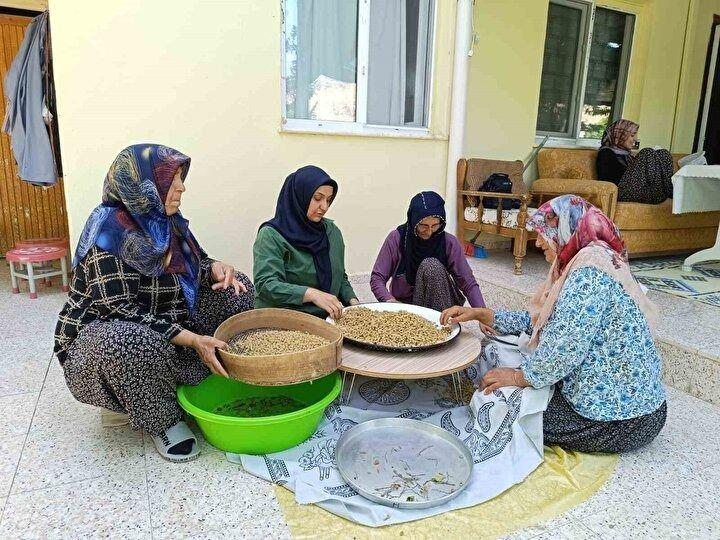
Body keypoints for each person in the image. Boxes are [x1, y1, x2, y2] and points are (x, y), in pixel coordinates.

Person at [54, 144, 254, 462]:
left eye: (180, 178)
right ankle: (162, 419)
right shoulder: (108, 233)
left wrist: (215, 267)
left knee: (236, 288)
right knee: (131, 340)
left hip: (166, 321)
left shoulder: (165, 220)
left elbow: (194, 264)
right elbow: (119, 311)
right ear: (144, 186)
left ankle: (207, 375)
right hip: (107, 341)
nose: (182, 187)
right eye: (173, 180)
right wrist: (191, 339)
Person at [441, 195, 667, 453]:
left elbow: (565, 348)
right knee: (496, 349)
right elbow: (544, 322)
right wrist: (484, 314)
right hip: (634, 411)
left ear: (565, 230)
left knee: (502, 403)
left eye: (544, 233)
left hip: (621, 421)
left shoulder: (588, 274)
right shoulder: (585, 260)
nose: (538, 242)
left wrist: (518, 377)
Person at [253, 165, 358, 319]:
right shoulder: (271, 235)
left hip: (325, 318)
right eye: (317, 198)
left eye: (329, 200)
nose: (325, 207)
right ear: (300, 195)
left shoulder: (332, 232)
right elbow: (266, 284)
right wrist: (311, 294)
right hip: (282, 319)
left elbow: (340, 277)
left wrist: (354, 303)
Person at [371, 191, 485, 312]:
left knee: (431, 266)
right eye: (423, 226)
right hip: (407, 306)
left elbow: (467, 281)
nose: (429, 232)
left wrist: (482, 313)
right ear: (413, 220)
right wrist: (390, 302)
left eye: (435, 225)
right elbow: (377, 278)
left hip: (443, 306)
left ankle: (439, 323)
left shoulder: (449, 242)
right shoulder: (397, 238)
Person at [596, 119, 674, 204]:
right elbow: (608, 181)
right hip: (620, 192)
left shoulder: (627, 154)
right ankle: (669, 191)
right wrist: (637, 166)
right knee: (647, 152)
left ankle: (666, 191)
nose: (636, 139)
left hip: (639, 190)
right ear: (620, 135)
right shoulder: (606, 153)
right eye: (632, 135)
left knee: (663, 153)